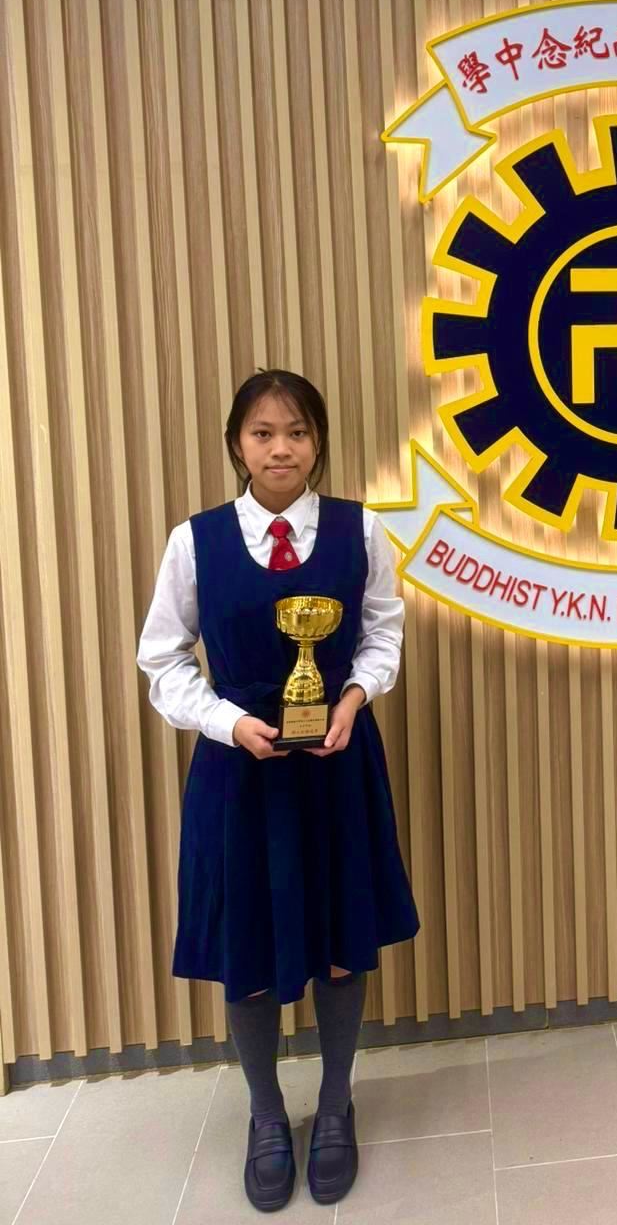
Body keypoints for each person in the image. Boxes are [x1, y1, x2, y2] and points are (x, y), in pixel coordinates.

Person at [137, 369, 420, 1212]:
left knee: (339, 938)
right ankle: (266, 1115)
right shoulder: (195, 542)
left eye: (296, 431)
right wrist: (227, 722)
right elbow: (162, 659)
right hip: (239, 773)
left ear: (318, 442)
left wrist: (355, 696)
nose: (281, 448)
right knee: (249, 947)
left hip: (337, 762)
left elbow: (383, 634)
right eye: (263, 433)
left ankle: (335, 1106)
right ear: (237, 444)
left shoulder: (360, 530)